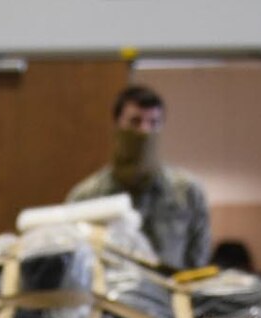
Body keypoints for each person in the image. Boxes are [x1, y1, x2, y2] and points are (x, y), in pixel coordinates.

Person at [67, 84, 213, 270]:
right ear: (117, 124)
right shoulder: (86, 197)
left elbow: (198, 263)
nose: (144, 131)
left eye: (154, 123)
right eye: (135, 122)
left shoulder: (187, 193)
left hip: (168, 294)